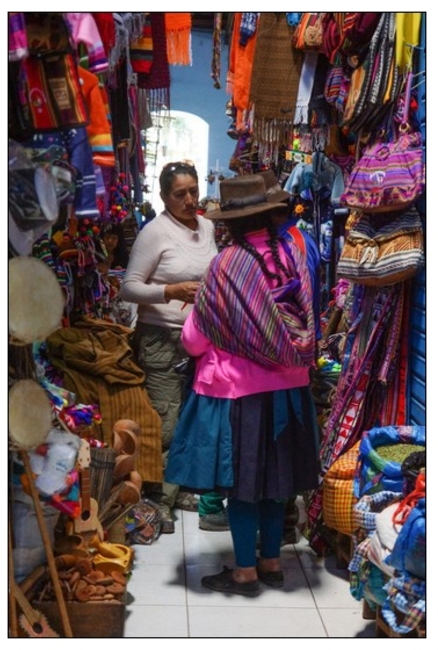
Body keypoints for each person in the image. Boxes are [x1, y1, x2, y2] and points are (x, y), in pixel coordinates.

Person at [165, 174, 321, 596]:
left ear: (231, 222)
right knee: (276, 482)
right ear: (271, 213)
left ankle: (246, 571)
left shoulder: (226, 264)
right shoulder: (293, 255)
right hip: (290, 391)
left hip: (241, 396)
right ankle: (272, 561)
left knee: (244, 485)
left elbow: (194, 339)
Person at [120, 160, 218, 534]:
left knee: (193, 417)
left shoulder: (207, 227)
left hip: (202, 339)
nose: (190, 199)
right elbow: (129, 287)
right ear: (163, 196)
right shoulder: (154, 232)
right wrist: (169, 291)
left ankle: (178, 490)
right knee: (165, 422)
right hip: (161, 338)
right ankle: (156, 498)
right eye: (180, 194)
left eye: (193, 190)